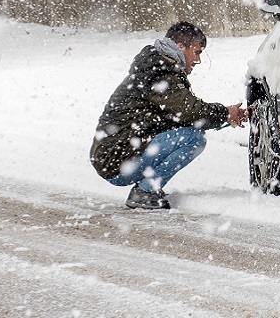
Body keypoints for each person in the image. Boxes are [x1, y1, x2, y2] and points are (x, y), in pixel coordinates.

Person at [90, 21, 247, 210]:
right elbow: (190, 111)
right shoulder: (159, 72)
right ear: (180, 47)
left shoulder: (157, 67)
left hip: (114, 159)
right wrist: (225, 112)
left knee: (189, 132)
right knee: (193, 139)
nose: (198, 60)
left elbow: (182, 116)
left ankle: (147, 189)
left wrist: (225, 116)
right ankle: (145, 192)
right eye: (196, 52)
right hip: (116, 162)